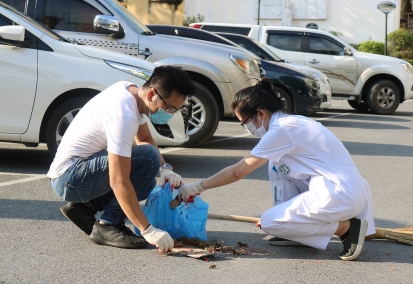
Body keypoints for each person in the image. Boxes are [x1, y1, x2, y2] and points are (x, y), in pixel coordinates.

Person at [178, 79, 375, 261]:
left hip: (340, 195)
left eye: (245, 122)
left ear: (261, 113)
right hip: (343, 191)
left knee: (270, 222)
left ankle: (346, 228)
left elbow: (238, 171)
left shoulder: (281, 130)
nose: (247, 128)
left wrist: (198, 186)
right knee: (276, 165)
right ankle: (294, 230)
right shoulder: (291, 123)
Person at [47, 65, 196, 252]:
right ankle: (108, 225)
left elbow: (145, 139)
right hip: (69, 177)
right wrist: (147, 230)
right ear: (152, 94)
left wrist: (165, 168)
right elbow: (119, 181)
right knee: (148, 160)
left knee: (147, 177)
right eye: (169, 108)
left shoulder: (130, 92)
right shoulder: (123, 115)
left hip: (73, 173)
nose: (169, 114)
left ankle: (85, 207)